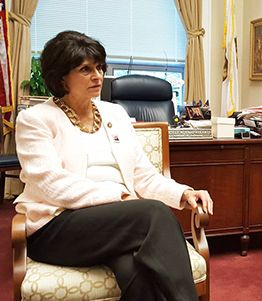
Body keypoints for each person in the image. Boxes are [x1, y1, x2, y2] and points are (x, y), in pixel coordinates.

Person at [14, 31, 214, 301]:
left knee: (136, 269)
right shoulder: (35, 119)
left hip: (118, 224)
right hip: (58, 227)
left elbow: (143, 175)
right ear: (61, 76)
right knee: (153, 214)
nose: (97, 76)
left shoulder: (115, 114)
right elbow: (53, 184)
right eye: (85, 69)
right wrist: (119, 197)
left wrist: (184, 193)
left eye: (99, 67)